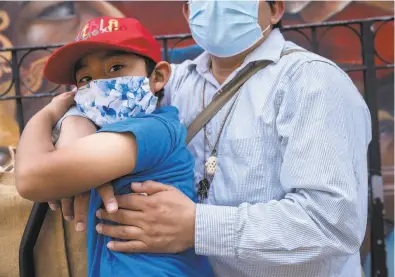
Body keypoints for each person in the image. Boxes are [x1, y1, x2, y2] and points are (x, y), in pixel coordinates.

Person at [45, 1, 372, 276]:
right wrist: (77, 142)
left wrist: (196, 227)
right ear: (188, 13)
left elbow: (332, 224)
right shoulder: (175, 84)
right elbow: (97, 102)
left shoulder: (312, 82)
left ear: (274, 10)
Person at [15, 16, 213, 277]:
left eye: (116, 67)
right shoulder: (110, 134)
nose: (100, 86)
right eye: (85, 79)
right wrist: (74, 121)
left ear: (158, 77)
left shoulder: (153, 129)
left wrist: (48, 114)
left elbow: (31, 178)